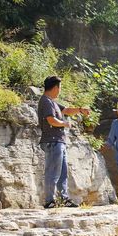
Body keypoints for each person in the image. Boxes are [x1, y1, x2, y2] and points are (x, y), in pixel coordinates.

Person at [37, 75, 90, 209]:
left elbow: (66, 110)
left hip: (58, 142)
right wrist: (65, 124)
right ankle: (49, 201)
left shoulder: (52, 102)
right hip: (53, 141)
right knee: (53, 172)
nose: (60, 90)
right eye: (60, 87)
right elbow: (51, 120)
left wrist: (79, 110)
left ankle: (63, 199)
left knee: (62, 173)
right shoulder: (46, 101)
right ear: (55, 87)